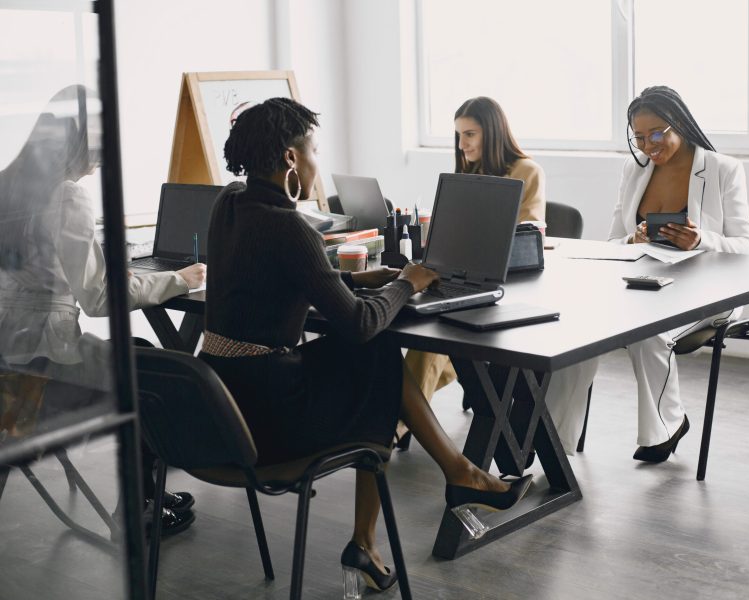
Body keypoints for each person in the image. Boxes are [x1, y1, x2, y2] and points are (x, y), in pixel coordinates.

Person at [198, 97, 531, 594]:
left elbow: (268, 276)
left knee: (368, 357)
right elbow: (358, 324)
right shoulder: (288, 227)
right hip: (268, 419)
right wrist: (407, 283)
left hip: (219, 402)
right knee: (374, 352)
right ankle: (420, 504)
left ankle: (444, 486)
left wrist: (353, 279)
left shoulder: (228, 204)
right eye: (313, 150)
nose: (317, 161)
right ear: (291, 158)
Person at [0, 85, 205, 534]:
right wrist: (178, 279)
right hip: (42, 380)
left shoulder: (7, 184)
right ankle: (139, 508)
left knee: (137, 349)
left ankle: (147, 492)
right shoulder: (68, 196)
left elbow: (39, 271)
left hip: (9, 368)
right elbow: (98, 299)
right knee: (147, 368)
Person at [607, 85, 749, 462]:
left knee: (648, 332)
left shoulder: (722, 169)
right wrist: (633, 238)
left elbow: (746, 247)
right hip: (649, 287)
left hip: (711, 292)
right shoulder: (634, 169)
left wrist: (701, 239)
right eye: (639, 138)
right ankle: (553, 436)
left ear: (679, 124)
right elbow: (612, 242)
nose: (648, 146)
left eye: (656, 134)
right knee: (585, 328)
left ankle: (666, 428)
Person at [402, 97, 547, 445]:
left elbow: (530, 234)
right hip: (464, 279)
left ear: (492, 133)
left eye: (469, 134)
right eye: (458, 135)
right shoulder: (469, 173)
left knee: (433, 340)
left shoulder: (527, 170)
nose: (462, 144)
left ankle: (398, 423)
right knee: (426, 332)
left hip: (509, 288)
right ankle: (400, 419)